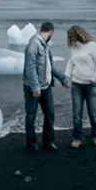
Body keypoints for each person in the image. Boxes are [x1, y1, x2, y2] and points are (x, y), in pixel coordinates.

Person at [23, 21, 68, 152]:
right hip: (33, 88)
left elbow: (50, 67)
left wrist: (63, 79)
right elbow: (30, 68)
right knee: (31, 116)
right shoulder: (33, 45)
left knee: (50, 114)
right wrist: (35, 87)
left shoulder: (45, 46)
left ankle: (48, 142)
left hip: (46, 87)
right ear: (50, 32)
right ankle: (31, 144)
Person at [64, 25, 96, 148]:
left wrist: (95, 77)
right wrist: (66, 78)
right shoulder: (74, 47)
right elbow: (71, 63)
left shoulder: (92, 46)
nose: (70, 40)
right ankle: (77, 139)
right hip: (77, 84)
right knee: (77, 114)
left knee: (93, 112)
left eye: (70, 37)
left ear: (77, 34)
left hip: (92, 85)